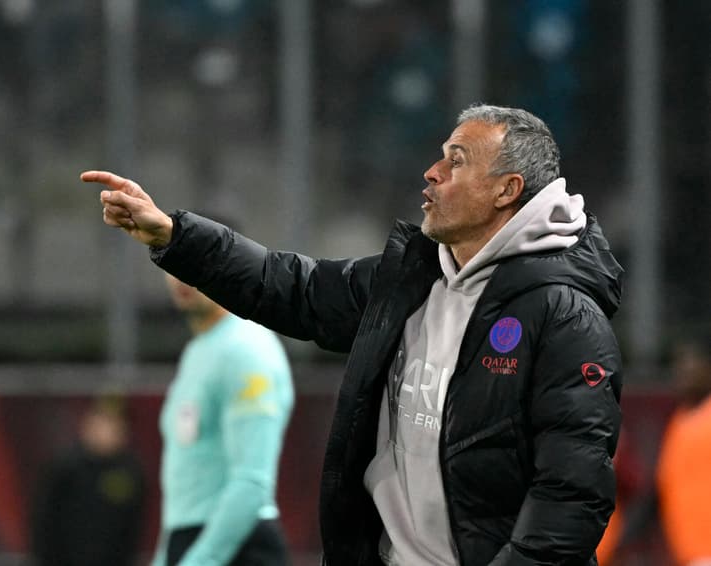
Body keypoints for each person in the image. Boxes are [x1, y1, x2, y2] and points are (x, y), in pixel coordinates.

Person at [83, 104, 624, 565]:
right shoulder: (409, 280)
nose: (432, 172)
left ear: (507, 190)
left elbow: (570, 495)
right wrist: (176, 236)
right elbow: (292, 287)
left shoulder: (563, 315)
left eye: (456, 161)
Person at [150, 266, 295, 565]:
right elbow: (186, 485)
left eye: (195, 259)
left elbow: (252, 482)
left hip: (238, 548)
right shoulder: (199, 350)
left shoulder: (247, 350)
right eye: (175, 262)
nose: (181, 275)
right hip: (194, 543)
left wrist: (201, 560)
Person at [29, 395, 146, 566]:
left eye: (117, 424)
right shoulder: (64, 468)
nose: (109, 430)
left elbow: (132, 531)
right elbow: (43, 524)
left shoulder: (131, 473)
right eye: (104, 422)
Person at [655, 340, 711, 565]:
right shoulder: (679, 420)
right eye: (679, 371)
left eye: (690, 370)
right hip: (688, 552)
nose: (683, 377)